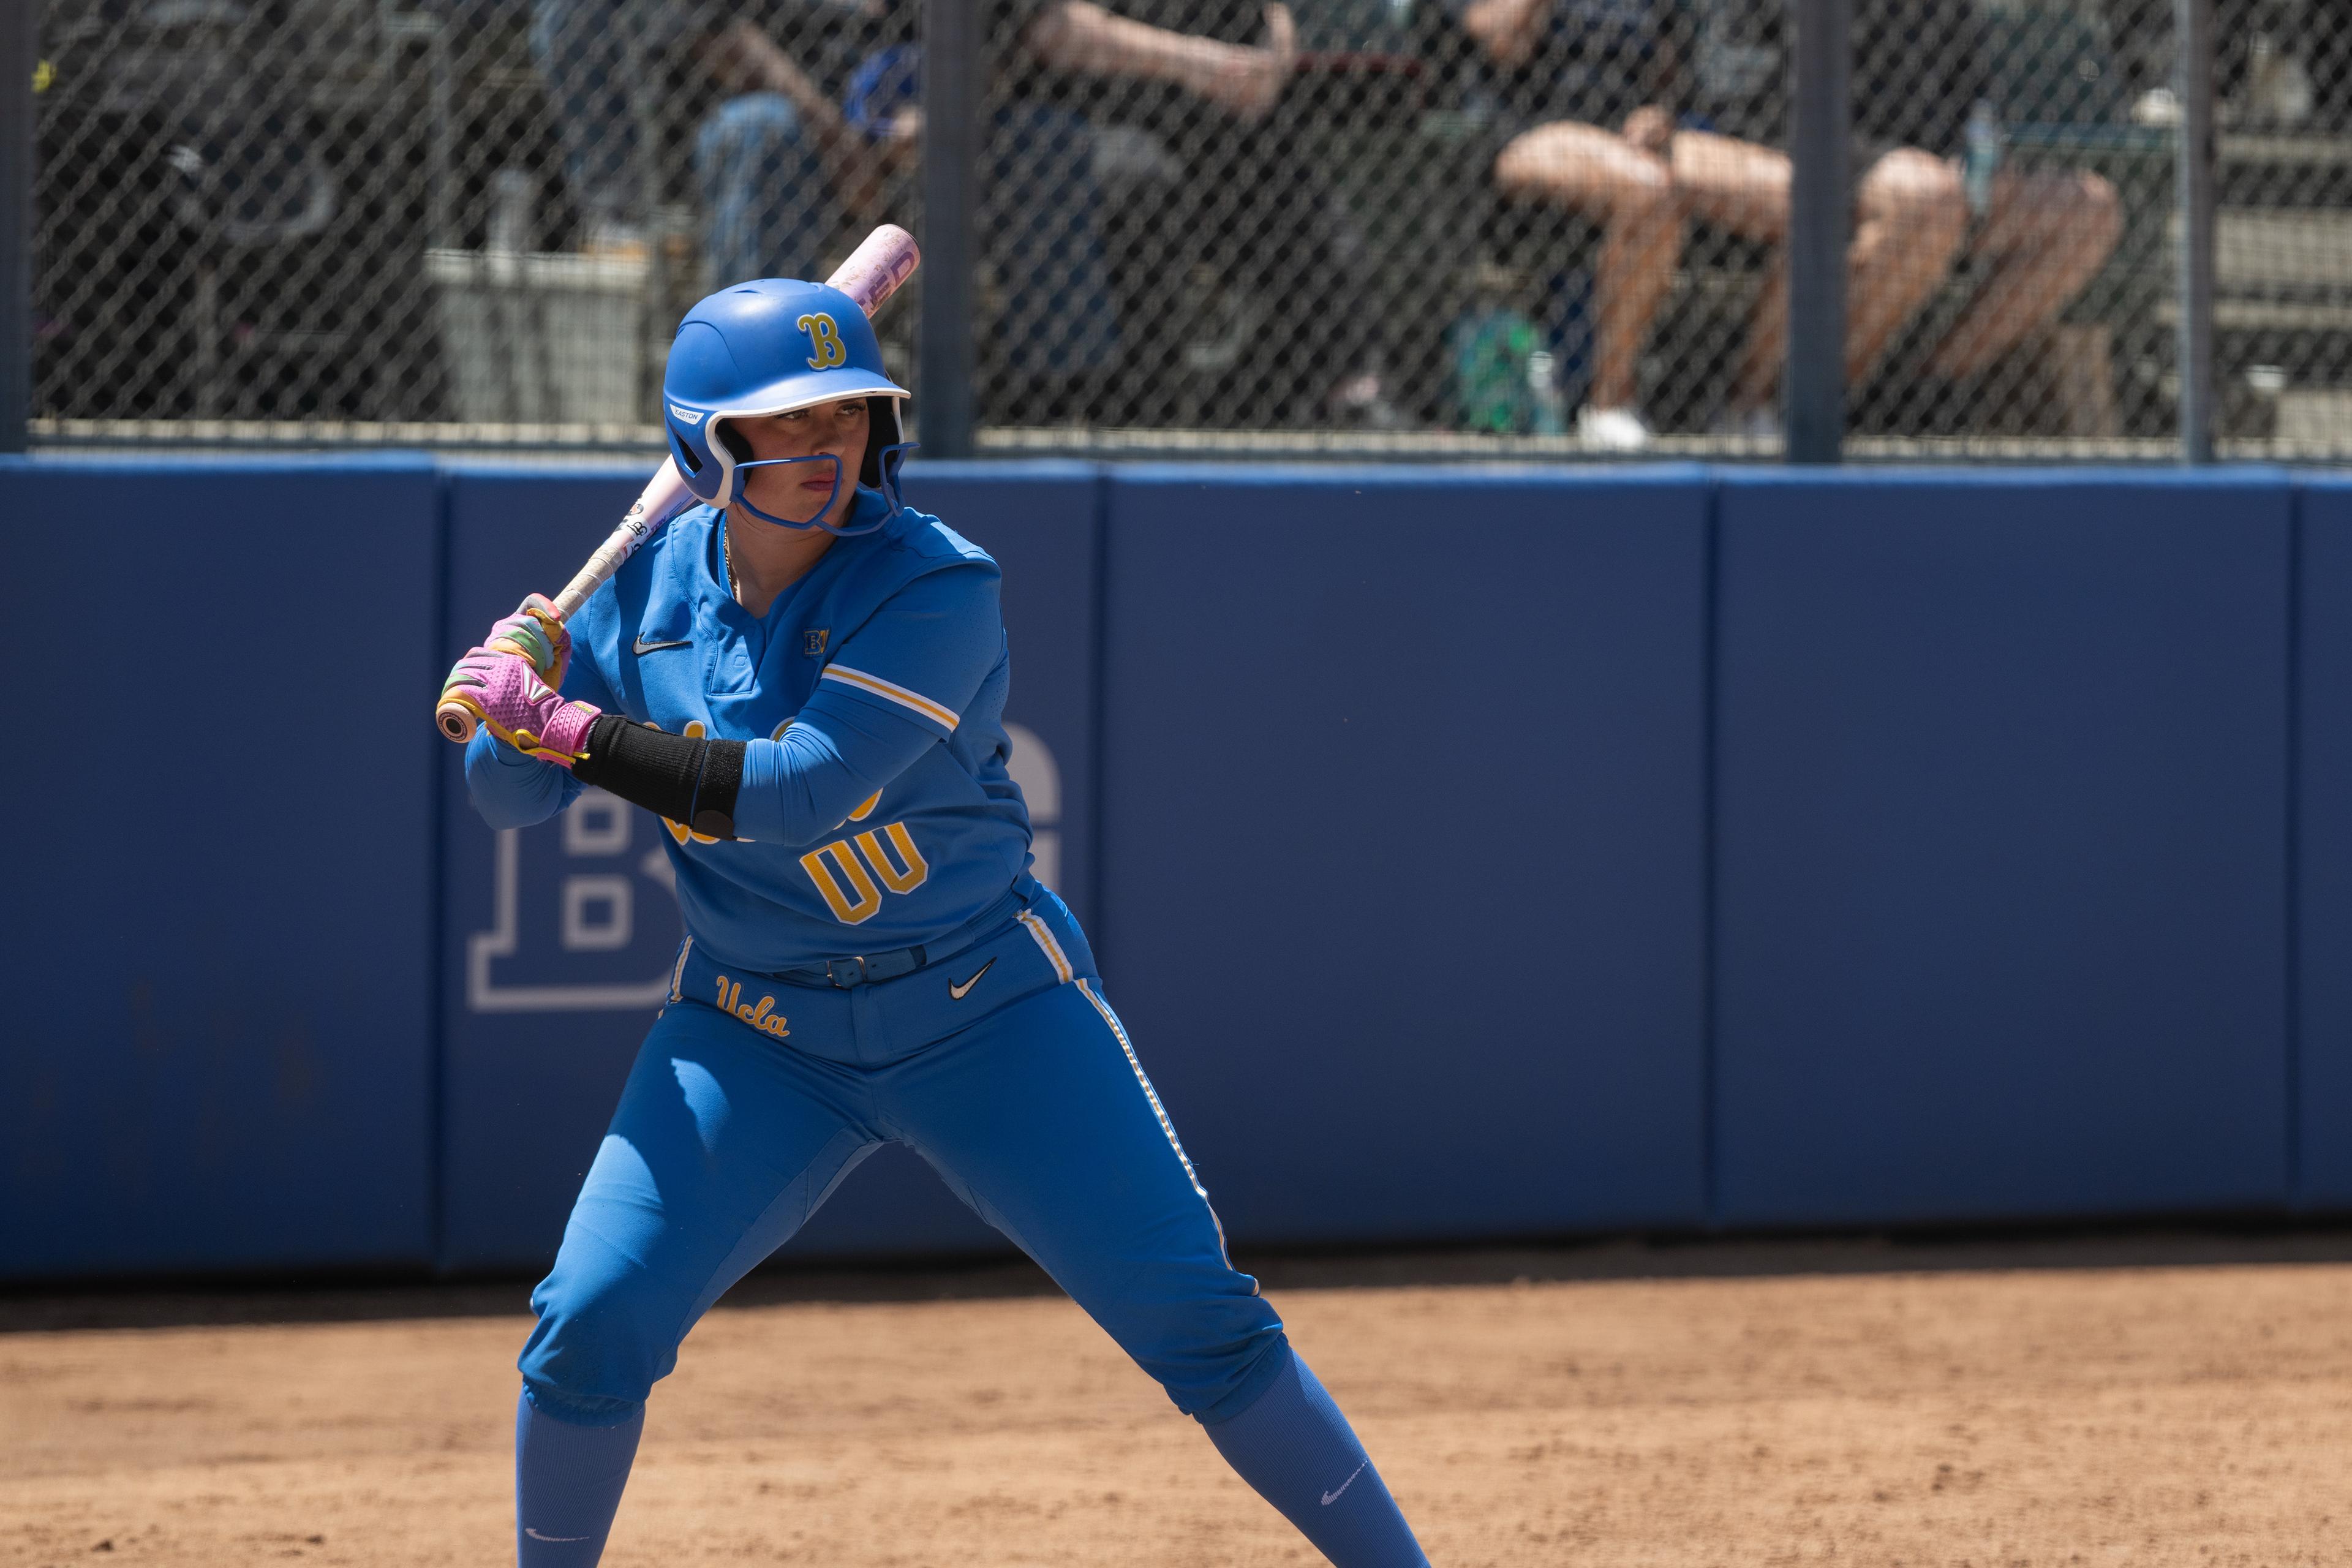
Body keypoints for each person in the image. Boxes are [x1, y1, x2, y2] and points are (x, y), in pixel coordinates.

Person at [436, 278, 1434, 1567]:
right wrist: (519, 692)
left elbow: (797, 792)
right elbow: (506, 799)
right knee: (587, 1321)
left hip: (985, 1010)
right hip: (757, 1031)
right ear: (705, 448)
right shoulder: (639, 595)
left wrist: (568, 725)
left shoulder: (935, 581)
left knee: (1206, 1327)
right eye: (785, 426)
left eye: (848, 413)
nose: (828, 447)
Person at [1461, 0, 2125, 446]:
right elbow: (1500, 42)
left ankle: (1917, 397)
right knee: (1854, 201)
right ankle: (1718, 403)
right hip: (1784, 135)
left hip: (1922, 157)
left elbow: (1668, 63)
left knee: (2088, 212)